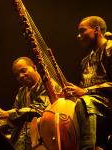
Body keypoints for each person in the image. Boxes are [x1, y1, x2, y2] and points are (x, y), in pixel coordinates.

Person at [65, 16, 112, 150]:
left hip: (107, 104)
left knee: (84, 102)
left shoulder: (110, 48)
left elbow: (87, 92)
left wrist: (86, 92)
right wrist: (73, 93)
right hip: (92, 105)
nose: (78, 36)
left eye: (82, 31)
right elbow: (84, 88)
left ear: (96, 30)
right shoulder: (85, 61)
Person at [0, 57, 51, 150]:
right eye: (17, 75)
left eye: (23, 71)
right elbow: (15, 114)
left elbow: (38, 110)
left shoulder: (48, 86)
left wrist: (7, 114)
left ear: (34, 67)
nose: (20, 76)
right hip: (25, 139)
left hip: (45, 137)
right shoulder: (22, 91)